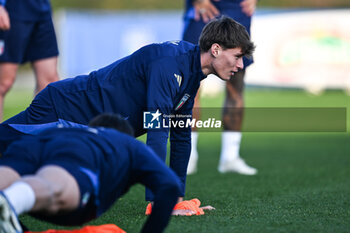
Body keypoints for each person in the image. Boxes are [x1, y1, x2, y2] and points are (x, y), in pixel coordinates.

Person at [0, 16, 255, 204]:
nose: (240, 65)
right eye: (237, 56)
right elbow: (157, 130)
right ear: (216, 49)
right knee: (10, 151)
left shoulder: (192, 73)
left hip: (84, 125)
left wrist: (176, 196)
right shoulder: (169, 64)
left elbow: (180, 135)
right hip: (63, 107)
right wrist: (158, 200)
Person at [0, 113, 190, 233]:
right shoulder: (127, 144)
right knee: (55, 180)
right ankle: (12, 199)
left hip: (40, 139)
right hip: (77, 161)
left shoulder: (68, 131)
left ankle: (10, 198)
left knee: (8, 174)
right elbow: (170, 185)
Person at [182, 0, 258, 175]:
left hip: (237, 8)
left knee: (236, 84)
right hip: (203, 8)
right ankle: (188, 155)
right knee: (191, 86)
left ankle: (230, 157)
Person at [0, 0, 59, 122]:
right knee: (3, 83)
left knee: (50, 81)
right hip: (11, 8)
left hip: (41, 8)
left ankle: (41, 137)